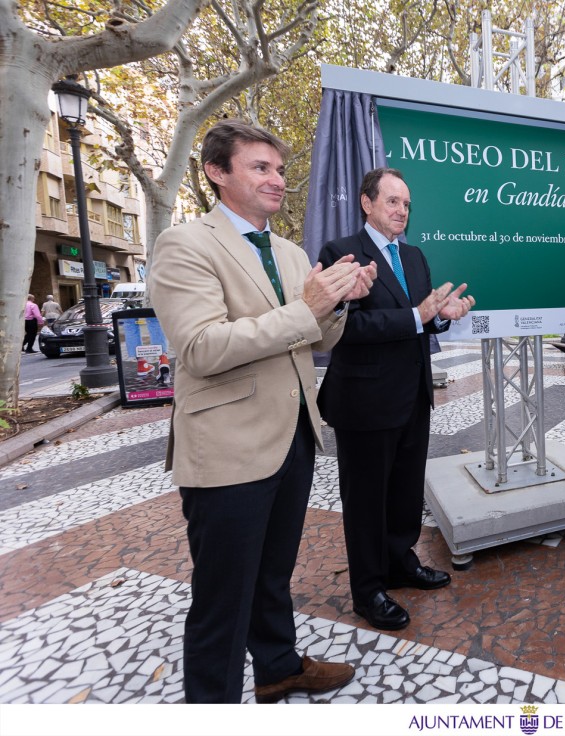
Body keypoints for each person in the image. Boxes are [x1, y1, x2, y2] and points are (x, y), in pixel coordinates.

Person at [148, 120, 376, 703]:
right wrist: (310, 307)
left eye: (279, 168)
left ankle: (277, 667)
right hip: (228, 447)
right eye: (260, 167)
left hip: (294, 438)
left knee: (272, 576)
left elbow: (316, 341)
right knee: (223, 598)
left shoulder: (292, 251)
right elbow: (201, 347)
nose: (278, 179)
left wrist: (340, 303)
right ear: (217, 173)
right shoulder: (184, 245)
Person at [317, 167, 475, 631]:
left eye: (406, 204)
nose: (401, 211)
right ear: (367, 204)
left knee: (405, 492)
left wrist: (441, 317)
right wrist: (415, 316)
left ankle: (399, 563)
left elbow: (422, 319)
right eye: (392, 201)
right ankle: (368, 590)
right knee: (366, 499)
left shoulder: (415, 256)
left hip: (412, 395)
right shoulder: (341, 253)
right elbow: (343, 329)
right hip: (365, 400)